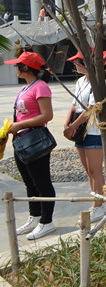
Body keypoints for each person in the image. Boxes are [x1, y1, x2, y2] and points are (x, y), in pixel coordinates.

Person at [7, 51, 57, 240]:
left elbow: (47, 115)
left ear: (25, 67)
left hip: (34, 141)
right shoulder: (25, 87)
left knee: (42, 182)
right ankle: (35, 217)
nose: (15, 67)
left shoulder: (41, 87)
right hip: (21, 141)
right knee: (29, 182)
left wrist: (19, 125)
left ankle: (47, 221)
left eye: (17, 64)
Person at [63, 50, 106, 222]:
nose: (75, 65)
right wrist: (67, 124)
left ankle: (99, 205)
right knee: (88, 170)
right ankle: (96, 200)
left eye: (77, 62)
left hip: (93, 129)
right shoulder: (80, 81)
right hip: (79, 129)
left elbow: (91, 110)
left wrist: (72, 126)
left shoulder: (98, 82)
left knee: (95, 170)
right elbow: (74, 104)